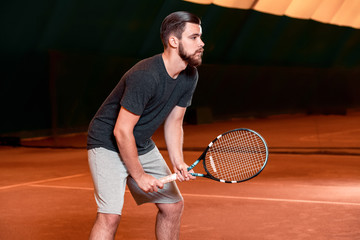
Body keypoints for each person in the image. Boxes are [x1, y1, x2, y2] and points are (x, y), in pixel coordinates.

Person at [87, 11, 205, 240]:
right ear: (173, 41)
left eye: (200, 37)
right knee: (110, 216)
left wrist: (178, 161)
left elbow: (174, 120)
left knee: (173, 206)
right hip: (106, 142)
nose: (202, 43)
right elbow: (121, 131)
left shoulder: (190, 75)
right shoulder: (146, 75)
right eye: (194, 37)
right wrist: (139, 176)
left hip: (139, 142)